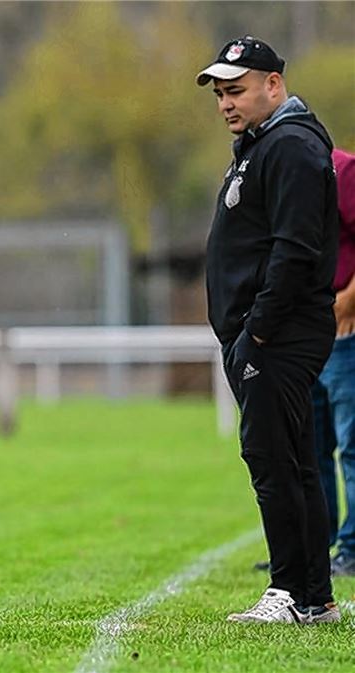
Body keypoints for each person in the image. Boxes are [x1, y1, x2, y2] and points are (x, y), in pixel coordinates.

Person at [198, 36, 341, 624]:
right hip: (268, 335)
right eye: (221, 93)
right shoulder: (262, 144)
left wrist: (256, 331)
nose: (226, 103)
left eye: (237, 90)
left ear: (273, 85)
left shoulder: (290, 146)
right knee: (293, 460)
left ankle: (288, 592)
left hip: (276, 336)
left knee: (273, 461)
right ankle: (315, 598)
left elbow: (295, 248)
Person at [313, 147, 355, 576]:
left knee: (353, 445)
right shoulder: (274, 173)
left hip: (346, 332)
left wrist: (348, 301)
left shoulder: (342, 169)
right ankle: (310, 548)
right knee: (308, 448)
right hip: (303, 332)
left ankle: (354, 547)